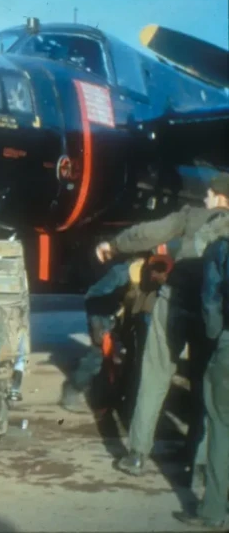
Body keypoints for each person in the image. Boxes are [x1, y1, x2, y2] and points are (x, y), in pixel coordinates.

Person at [95, 173, 229, 477]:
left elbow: (147, 233)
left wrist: (113, 245)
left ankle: (137, 455)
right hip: (214, 314)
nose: (205, 198)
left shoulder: (191, 216)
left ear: (218, 196)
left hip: (175, 303)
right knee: (206, 383)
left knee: (154, 376)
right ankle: (199, 462)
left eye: (208, 194)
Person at [60, 251, 173, 415]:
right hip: (102, 315)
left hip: (124, 315)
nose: (159, 277)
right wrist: (98, 324)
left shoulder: (157, 278)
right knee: (98, 356)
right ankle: (72, 391)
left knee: (130, 357)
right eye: (157, 273)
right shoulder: (120, 274)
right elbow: (92, 295)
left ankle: (118, 396)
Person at [173, 233, 229, 530]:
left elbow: (211, 299)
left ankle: (213, 510)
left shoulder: (221, 247)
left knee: (221, 426)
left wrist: (216, 336)